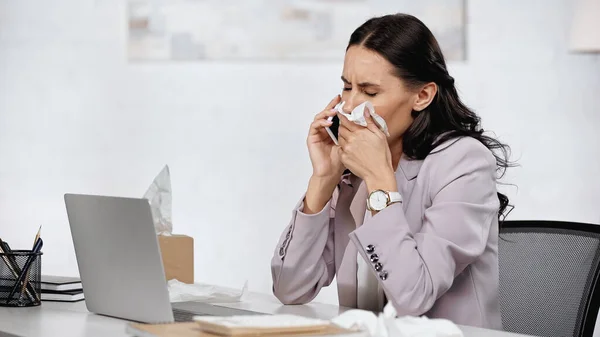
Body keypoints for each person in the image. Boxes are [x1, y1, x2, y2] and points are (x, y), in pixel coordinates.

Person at [270, 13, 511, 330]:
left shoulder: (463, 162)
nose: (350, 106)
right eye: (346, 87)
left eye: (369, 92)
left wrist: (380, 182)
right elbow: (290, 288)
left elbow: (414, 297)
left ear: (422, 96)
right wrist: (323, 179)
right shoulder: (349, 168)